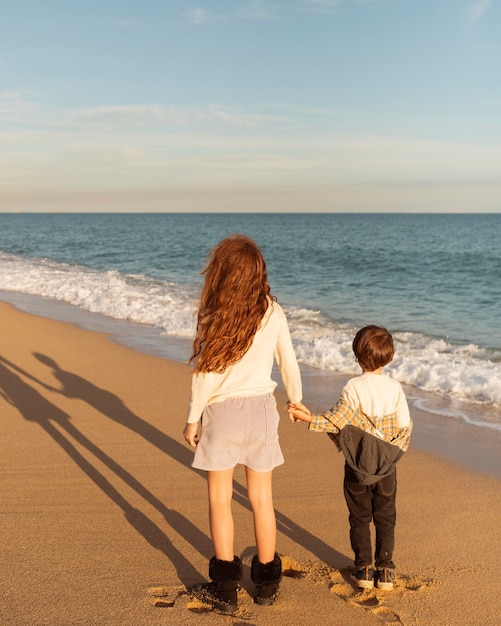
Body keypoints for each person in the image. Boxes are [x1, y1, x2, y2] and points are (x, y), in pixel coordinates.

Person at [183, 234, 306, 614]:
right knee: (261, 499)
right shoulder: (273, 311)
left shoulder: (216, 313)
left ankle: (225, 588)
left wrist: (192, 418)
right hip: (262, 411)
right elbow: (289, 361)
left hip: (222, 414)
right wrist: (296, 398)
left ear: (221, 273)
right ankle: (266, 584)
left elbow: (205, 374)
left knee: (220, 499)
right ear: (258, 273)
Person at [288, 325, 412, 592]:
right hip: (386, 468)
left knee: (359, 516)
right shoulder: (395, 388)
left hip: (357, 466)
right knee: (386, 516)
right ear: (388, 357)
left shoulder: (353, 387)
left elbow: (336, 422)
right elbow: (404, 427)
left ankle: (364, 569)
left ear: (357, 355)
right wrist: (389, 451)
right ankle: (386, 572)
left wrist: (307, 417)